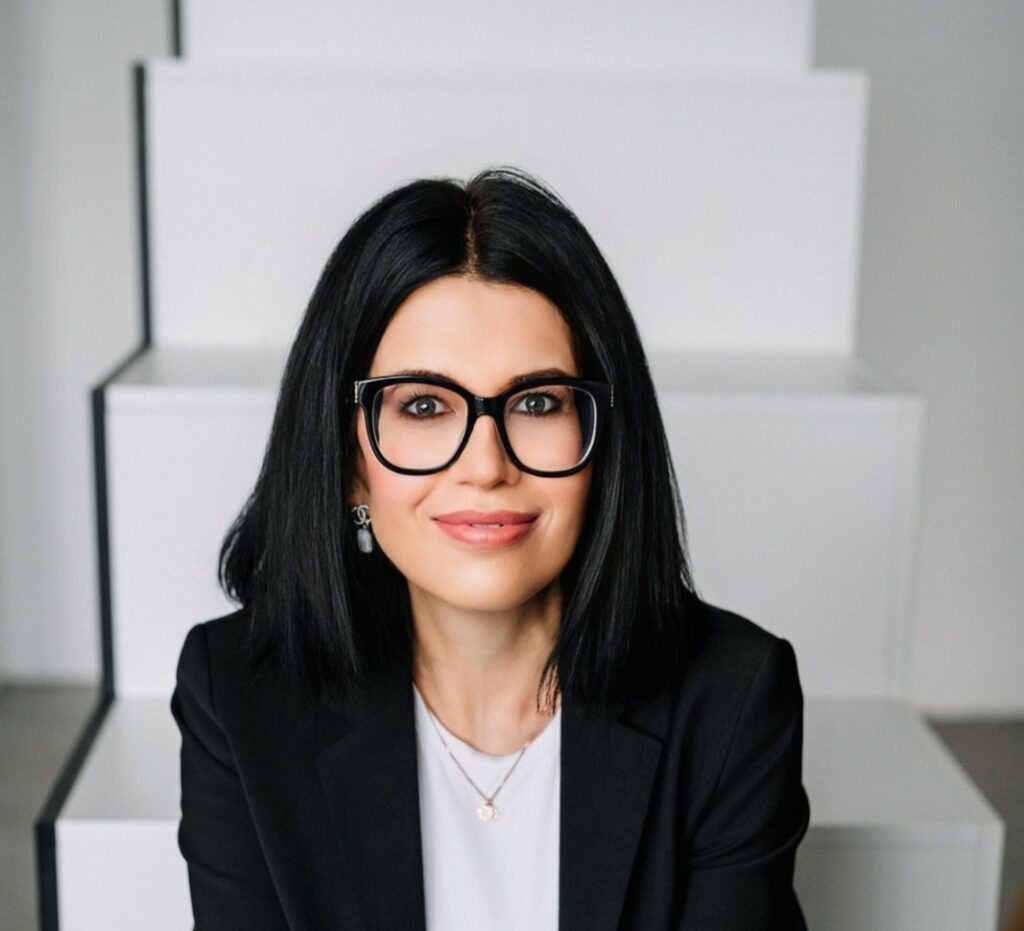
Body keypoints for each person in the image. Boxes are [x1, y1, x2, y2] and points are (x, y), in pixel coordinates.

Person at [170, 166, 812, 930]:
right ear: (350, 463)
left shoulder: (733, 696)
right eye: (423, 405)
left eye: (537, 402)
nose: (485, 464)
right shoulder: (238, 696)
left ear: (604, 444)